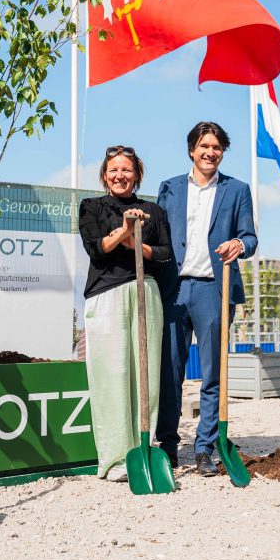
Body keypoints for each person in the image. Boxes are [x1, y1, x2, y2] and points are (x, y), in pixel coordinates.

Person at [156, 122, 257, 476]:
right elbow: (159, 237)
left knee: (214, 373)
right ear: (191, 150)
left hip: (215, 289)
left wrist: (239, 245)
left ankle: (204, 448)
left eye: (216, 147)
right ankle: (167, 447)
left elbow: (250, 237)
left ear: (222, 151)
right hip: (176, 289)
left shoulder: (237, 190)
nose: (210, 152)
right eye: (204, 146)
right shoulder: (168, 188)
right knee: (170, 372)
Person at [78, 146, 173, 482]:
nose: (120, 175)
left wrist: (138, 246)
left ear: (137, 175)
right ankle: (116, 457)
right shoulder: (91, 207)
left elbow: (164, 256)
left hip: (145, 291)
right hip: (107, 294)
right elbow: (96, 249)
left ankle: (142, 448)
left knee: (145, 377)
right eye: (114, 170)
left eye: (127, 170)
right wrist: (124, 230)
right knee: (111, 376)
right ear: (105, 175)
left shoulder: (154, 211)